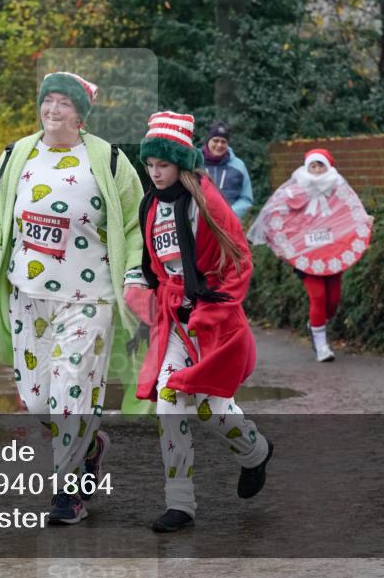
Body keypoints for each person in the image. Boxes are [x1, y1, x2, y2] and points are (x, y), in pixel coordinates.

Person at [0, 71, 144, 525]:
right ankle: (93, 446)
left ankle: (67, 495)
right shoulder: (17, 155)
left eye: (64, 103)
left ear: (81, 115)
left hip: (90, 295)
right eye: (48, 101)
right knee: (39, 399)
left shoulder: (110, 159)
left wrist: (135, 277)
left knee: (72, 389)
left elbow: (133, 225)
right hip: (28, 296)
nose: (53, 110)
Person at [126, 111, 273, 533]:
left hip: (213, 321)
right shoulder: (150, 203)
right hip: (174, 319)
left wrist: (212, 310)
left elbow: (239, 261)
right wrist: (147, 304)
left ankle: (255, 452)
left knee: (211, 410)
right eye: (150, 165)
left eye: (163, 165)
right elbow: (154, 267)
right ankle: (180, 504)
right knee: (169, 404)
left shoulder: (206, 203)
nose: (155, 173)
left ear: (182, 164)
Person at [246, 148, 373, 362]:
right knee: (318, 297)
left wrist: (364, 220)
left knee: (332, 301)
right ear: (306, 168)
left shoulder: (339, 189)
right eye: (312, 166)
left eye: (320, 165)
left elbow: (351, 212)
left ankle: (316, 324)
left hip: (334, 252)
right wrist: (281, 244)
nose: (316, 170)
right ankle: (321, 345)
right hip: (307, 258)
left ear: (328, 167)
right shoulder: (294, 190)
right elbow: (276, 215)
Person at [200, 121, 253, 220]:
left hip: (229, 224)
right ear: (208, 141)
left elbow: (246, 198)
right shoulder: (194, 164)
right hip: (199, 223)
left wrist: (229, 214)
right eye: (215, 140)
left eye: (223, 141)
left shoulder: (239, 166)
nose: (219, 145)